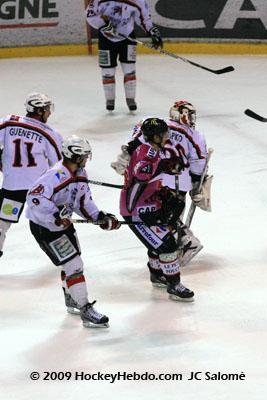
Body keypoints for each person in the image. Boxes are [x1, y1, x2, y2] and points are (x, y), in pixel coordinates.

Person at [26, 135, 120, 328]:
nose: (87, 159)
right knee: (74, 265)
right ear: (76, 156)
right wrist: (54, 217)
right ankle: (85, 308)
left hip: (63, 225)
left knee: (71, 264)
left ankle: (72, 300)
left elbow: (83, 202)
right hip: (46, 228)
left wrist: (99, 217)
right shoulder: (56, 175)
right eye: (85, 155)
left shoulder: (80, 174)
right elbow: (34, 197)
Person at [111, 101, 210, 266]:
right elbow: (199, 164)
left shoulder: (153, 124)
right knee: (169, 218)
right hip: (179, 182)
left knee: (161, 219)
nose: (192, 119)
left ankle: (178, 247)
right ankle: (181, 245)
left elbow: (134, 144)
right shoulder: (196, 135)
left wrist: (123, 160)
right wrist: (196, 187)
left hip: (155, 180)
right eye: (189, 115)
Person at [120, 117, 194, 302]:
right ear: (155, 136)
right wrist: (164, 166)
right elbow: (141, 174)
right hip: (136, 212)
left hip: (149, 205)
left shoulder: (151, 148)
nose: (167, 136)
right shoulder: (148, 153)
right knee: (167, 246)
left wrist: (162, 189)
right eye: (164, 134)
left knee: (160, 239)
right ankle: (174, 285)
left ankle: (157, 274)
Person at [0, 93, 63, 259]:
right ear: (40, 110)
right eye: (47, 109)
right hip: (39, 191)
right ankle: (66, 257)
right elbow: (60, 166)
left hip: (13, 187)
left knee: (2, 223)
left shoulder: (8, 122)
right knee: (54, 221)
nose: (49, 112)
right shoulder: (49, 133)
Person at [85, 0, 163, 111]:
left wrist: (152, 31)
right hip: (106, 38)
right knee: (108, 71)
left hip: (127, 37)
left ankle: (130, 99)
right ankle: (110, 99)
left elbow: (143, 17)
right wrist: (102, 25)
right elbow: (90, 13)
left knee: (129, 69)